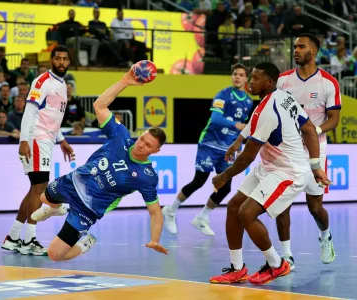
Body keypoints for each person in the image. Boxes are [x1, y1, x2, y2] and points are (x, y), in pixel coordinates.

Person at [209, 62, 331, 285]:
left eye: (255, 78)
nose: (250, 82)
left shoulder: (268, 109)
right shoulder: (282, 98)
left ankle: (277, 264)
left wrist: (223, 176)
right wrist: (238, 141)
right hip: (269, 166)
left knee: (247, 213)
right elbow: (308, 128)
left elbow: (247, 157)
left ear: (270, 82)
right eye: (251, 77)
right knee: (234, 207)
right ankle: (237, 269)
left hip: (288, 171)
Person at [30, 68, 168, 261]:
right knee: (44, 198)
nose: (141, 145)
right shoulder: (121, 136)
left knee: (54, 255)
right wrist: (125, 81)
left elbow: (155, 212)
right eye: (142, 139)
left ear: (156, 151)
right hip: (72, 183)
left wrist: (155, 239)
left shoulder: (147, 176)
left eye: (148, 146)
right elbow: (99, 106)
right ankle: (55, 208)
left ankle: (84, 244)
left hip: (88, 209)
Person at [162, 64, 253, 236]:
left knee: (225, 187)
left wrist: (237, 146)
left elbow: (243, 128)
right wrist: (236, 125)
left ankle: (202, 217)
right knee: (199, 180)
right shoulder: (223, 95)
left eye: (241, 75)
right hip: (210, 143)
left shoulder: (248, 101)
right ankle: (170, 210)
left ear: (246, 78)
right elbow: (216, 118)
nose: (237, 77)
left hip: (227, 148)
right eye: (235, 74)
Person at [1, 45, 75, 256]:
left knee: (35, 189)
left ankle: (14, 237)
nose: (61, 62)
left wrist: (62, 140)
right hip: (36, 139)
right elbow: (30, 111)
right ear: (52, 60)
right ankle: (29, 240)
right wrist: (24, 140)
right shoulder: (42, 81)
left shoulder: (61, 85)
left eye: (65, 59)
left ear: (68, 62)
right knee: (40, 190)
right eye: (58, 59)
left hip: (47, 140)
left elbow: (50, 117)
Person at [276, 33, 340, 269]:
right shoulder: (283, 81)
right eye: (294, 47)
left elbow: (334, 119)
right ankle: (286, 256)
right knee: (282, 204)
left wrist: (314, 130)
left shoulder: (328, 82)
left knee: (315, 207)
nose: (295, 50)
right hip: (288, 151)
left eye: (301, 47)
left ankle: (325, 236)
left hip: (315, 151)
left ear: (313, 52)